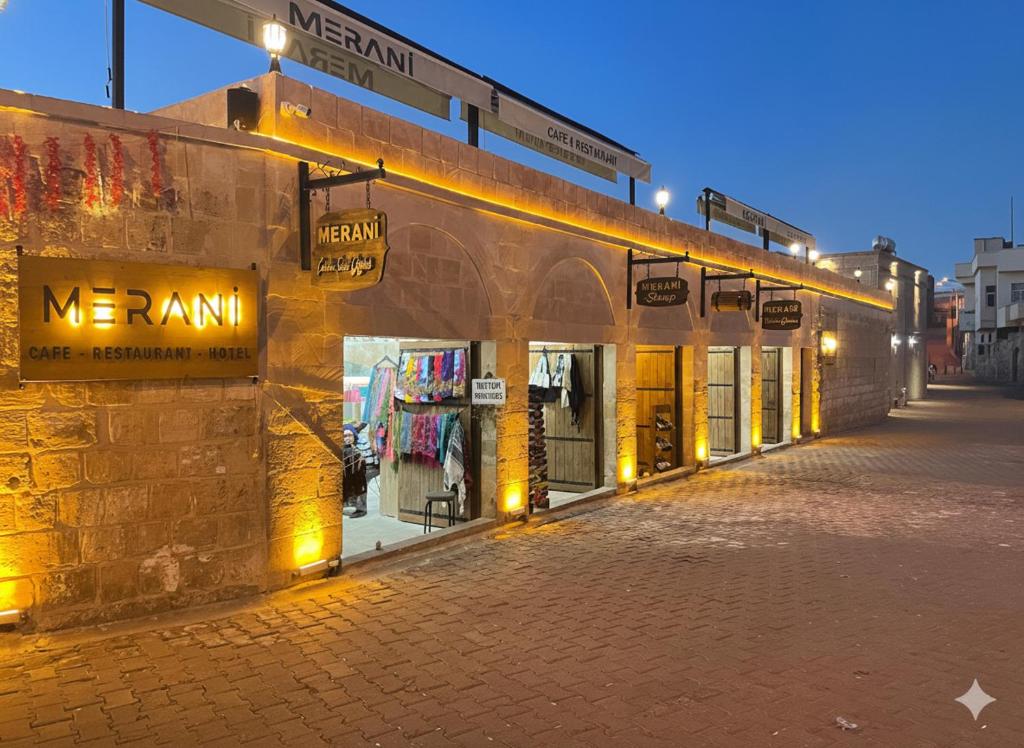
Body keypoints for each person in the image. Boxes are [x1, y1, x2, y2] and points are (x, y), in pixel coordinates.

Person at [342, 424, 368, 518]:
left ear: (354, 436)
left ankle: (361, 509)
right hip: (349, 472)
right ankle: (347, 504)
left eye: (350, 435)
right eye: (345, 436)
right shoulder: (343, 448)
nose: (347, 438)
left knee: (361, 483)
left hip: (365, 470)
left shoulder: (360, 445)